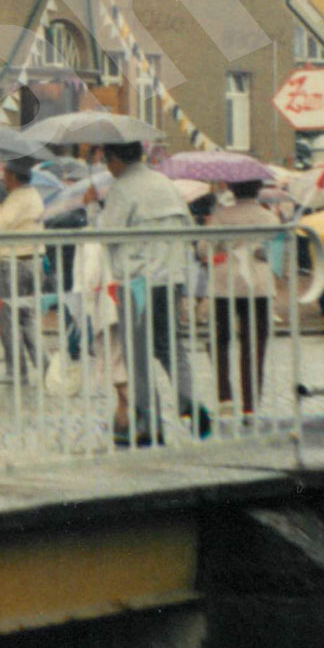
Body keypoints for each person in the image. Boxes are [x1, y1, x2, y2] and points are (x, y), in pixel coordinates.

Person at [97, 141, 210, 445]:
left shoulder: (122, 189)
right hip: (171, 276)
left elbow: (107, 232)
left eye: (107, 160)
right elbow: (187, 225)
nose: (108, 167)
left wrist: (95, 210)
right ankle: (188, 402)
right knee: (171, 345)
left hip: (136, 280)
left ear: (116, 158)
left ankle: (150, 421)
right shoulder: (165, 183)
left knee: (138, 354)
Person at [204, 180, 281, 416]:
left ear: (232, 189)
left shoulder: (220, 216)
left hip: (224, 283)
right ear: (258, 190)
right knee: (254, 343)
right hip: (257, 285)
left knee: (220, 339)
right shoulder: (269, 218)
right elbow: (277, 253)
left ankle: (225, 396)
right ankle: (250, 402)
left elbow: (204, 249)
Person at [0, 160, 46, 383]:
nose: (2, 179)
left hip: (16, 263)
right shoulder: (30, 195)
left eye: (5, 174)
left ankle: (16, 371)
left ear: (13, 176)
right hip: (31, 261)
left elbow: (2, 224)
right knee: (26, 317)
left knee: (9, 318)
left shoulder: (20, 197)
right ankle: (44, 365)